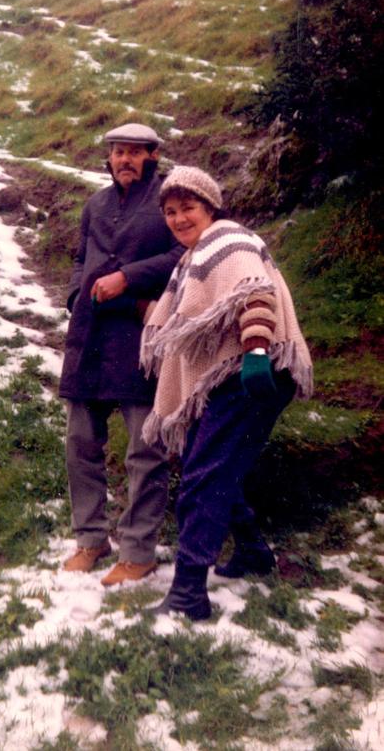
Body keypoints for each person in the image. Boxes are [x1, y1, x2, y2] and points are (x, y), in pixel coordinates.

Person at [140, 165, 313, 620]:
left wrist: (255, 351)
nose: (178, 219)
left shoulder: (226, 240)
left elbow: (256, 295)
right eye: (171, 211)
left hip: (252, 372)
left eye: (188, 208)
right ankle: (254, 552)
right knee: (212, 464)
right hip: (232, 376)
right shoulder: (192, 258)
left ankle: (188, 592)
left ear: (210, 207)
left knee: (204, 475)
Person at [59, 123, 184, 586]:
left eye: (135, 152)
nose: (125, 159)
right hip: (89, 337)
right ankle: (91, 539)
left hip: (139, 336)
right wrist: (75, 295)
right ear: (108, 159)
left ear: (153, 156)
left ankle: (138, 552)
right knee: (80, 444)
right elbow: (79, 258)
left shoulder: (169, 202)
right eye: (118, 152)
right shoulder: (96, 205)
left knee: (144, 449)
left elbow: (182, 253)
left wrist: (128, 278)